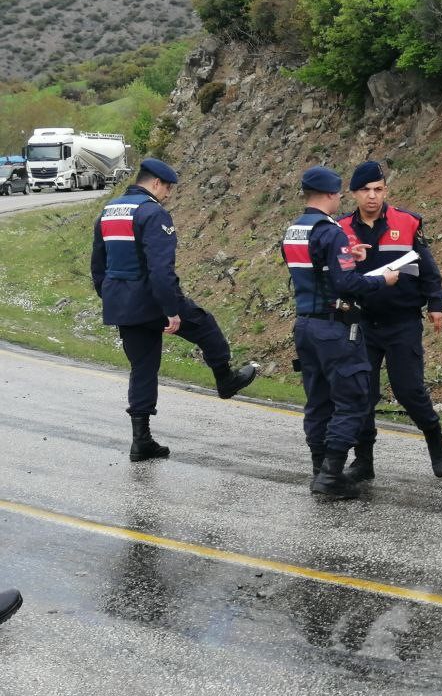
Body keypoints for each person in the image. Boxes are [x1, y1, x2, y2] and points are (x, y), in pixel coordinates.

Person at [91, 157, 258, 462]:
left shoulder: (109, 210)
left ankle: (141, 441)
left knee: (142, 367)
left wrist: (109, 296)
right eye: (167, 188)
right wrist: (171, 310)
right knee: (206, 327)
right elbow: (160, 271)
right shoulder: (153, 213)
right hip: (152, 300)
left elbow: (98, 265)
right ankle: (226, 380)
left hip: (122, 303)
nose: (168, 194)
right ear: (156, 183)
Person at [284, 165, 400, 499]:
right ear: (332, 195)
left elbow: (316, 269)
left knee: (317, 400)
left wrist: (351, 255)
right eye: (338, 195)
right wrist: (383, 279)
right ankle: (332, 474)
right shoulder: (330, 231)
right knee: (353, 399)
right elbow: (345, 283)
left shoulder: (295, 229)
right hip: (333, 327)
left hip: (304, 324)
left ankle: (319, 468)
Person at [338, 160, 442, 481]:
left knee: (408, 389)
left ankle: (434, 437)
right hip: (361, 323)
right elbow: (335, 273)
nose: (372, 196)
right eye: (365, 191)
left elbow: (428, 269)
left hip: (402, 322)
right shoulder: (341, 229)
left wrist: (436, 304)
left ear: (385, 190)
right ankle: (364, 461)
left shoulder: (408, 222)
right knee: (363, 393)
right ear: (354, 194)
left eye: (378, 190)